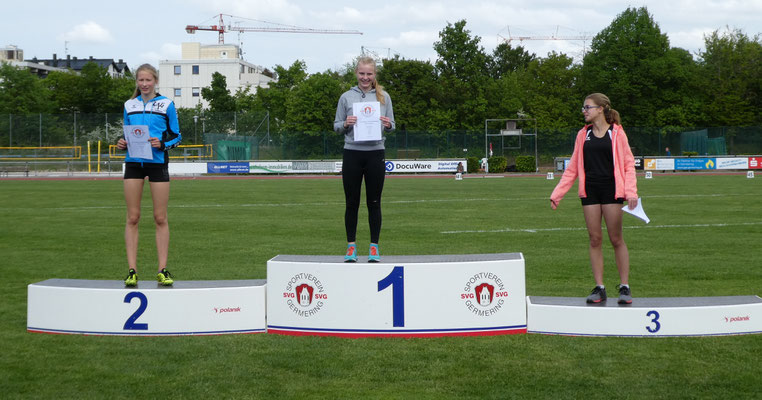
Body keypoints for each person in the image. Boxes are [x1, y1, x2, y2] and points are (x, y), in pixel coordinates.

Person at [549, 93, 638, 304]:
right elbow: (572, 168)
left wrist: (631, 192)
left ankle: (624, 287)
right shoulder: (583, 134)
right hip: (590, 191)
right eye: (583, 107)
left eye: (587, 107)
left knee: (616, 239)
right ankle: (600, 288)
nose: (584, 111)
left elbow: (628, 164)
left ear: (600, 109)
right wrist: (557, 194)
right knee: (595, 239)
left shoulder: (617, 133)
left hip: (612, 191)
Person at [117, 64, 181, 286]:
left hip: (157, 163)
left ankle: (162, 269)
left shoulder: (166, 104)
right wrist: (121, 143)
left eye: (148, 80)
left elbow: (177, 136)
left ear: (155, 81)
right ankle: (132, 270)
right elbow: (126, 132)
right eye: (141, 80)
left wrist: (162, 144)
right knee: (133, 217)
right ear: (137, 81)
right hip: (133, 163)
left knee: (160, 217)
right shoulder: (129, 105)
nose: (144, 84)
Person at [334, 56, 395, 263]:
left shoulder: (384, 97)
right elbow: (336, 125)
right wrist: (345, 123)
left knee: (374, 203)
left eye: (369, 74)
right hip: (352, 153)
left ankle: (374, 247)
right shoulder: (346, 97)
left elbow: (393, 124)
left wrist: (388, 125)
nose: (365, 77)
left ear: (374, 75)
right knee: (351, 203)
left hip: (375, 153)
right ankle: (351, 247)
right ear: (356, 73)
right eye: (362, 73)